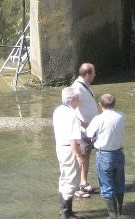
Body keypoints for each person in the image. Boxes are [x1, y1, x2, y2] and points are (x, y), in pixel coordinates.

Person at [86, 93, 126, 219]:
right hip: (119, 153)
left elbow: (89, 134)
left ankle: (112, 216)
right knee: (119, 183)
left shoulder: (98, 119)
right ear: (114, 104)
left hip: (104, 155)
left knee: (107, 186)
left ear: (100, 105)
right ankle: (120, 211)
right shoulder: (121, 116)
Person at [53, 87, 86, 219]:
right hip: (69, 149)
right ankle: (66, 215)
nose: (79, 101)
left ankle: (65, 211)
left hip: (60, 147)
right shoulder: (71, 114)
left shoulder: (58, 110)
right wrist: (79, 156)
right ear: (71, 100)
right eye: (78, 99)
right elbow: (73, 140)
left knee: (64, 178)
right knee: (72, 181)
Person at [71, 62, 99, 197]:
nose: (95, 74)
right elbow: (71, 109)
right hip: (84, 130)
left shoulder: (85, 86)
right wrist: (83, 123)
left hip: (90, 129)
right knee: (82, 156)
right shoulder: (77, 88)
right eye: (94, 72)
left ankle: (84, 182)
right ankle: (80, 186)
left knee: (86, 156)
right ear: (88, 74)